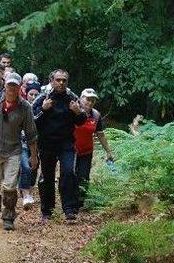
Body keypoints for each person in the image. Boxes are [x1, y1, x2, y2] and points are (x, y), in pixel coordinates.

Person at [0, 72, 38, 230]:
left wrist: (34, 156)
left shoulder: (25, 107)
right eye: (9, 85)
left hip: (13, 150)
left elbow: (31, 134)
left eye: (15, 86)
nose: (11, 89)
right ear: (5, 85)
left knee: (10, 186)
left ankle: (9, 216)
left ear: (20, 87)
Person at [33, 69, 86, 222]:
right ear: (52, 81)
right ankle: (47, 211)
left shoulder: (73, 98)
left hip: (66, 143)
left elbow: (82, 121)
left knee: (69, 173)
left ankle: (69, 210)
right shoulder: (43, 97)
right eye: (58, 80)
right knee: (47, 176)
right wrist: (43, 109)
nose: (61, 83)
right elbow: (32, 120)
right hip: (47, 143)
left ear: (67, 82)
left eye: (64, 80)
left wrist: (77, 112)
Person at [74, 88, 113, 211]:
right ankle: (69, 201)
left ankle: (79, 203)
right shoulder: (73, 111)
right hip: (70, 150)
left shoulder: (96, 115)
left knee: (84, 177)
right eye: (87, 99)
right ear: (81, 99)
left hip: (86, 151)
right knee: (70, 175)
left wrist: (108, 151)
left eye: (93, 100)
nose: (90, 102)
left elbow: (100, 134)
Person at [18, 81, 42, 209]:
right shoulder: (21, 106)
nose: (33, 97)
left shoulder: (42, 107)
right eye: (31, 94)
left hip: (37, 143)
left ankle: (26, 189)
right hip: (21, 142)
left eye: (36, 94)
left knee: (34, 167)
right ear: (26, 94)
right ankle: (26, 193)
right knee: (25, 166)